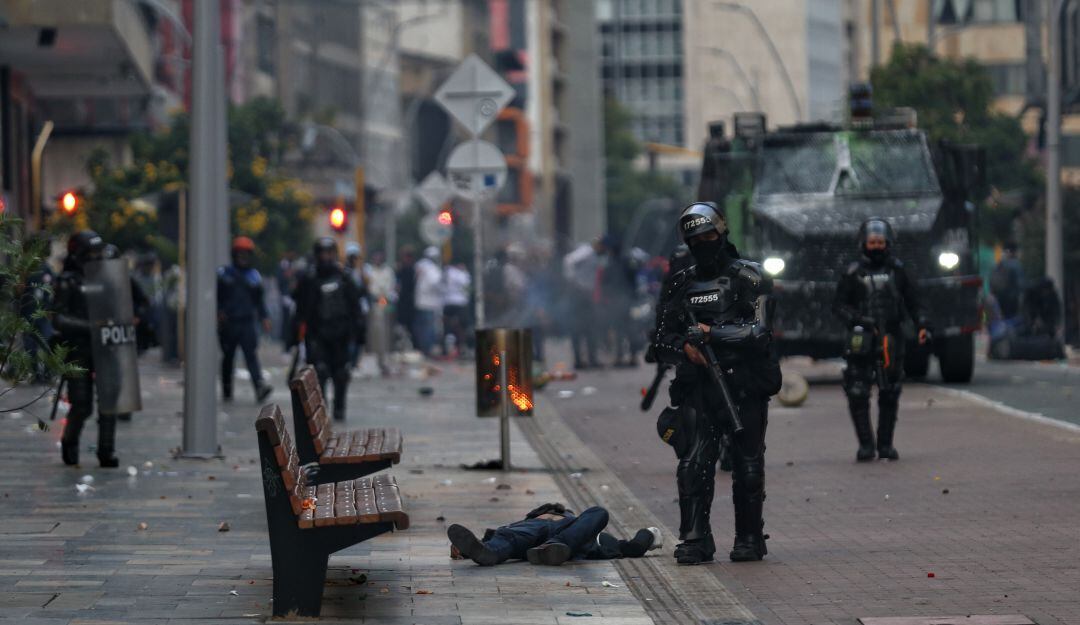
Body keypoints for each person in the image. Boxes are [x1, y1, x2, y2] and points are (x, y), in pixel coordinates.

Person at [652, 202, 781, 564]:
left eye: (708, 236)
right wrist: (686, 349)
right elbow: (660, 341)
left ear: (722, 233)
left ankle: (749, 538)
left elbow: (758, 332)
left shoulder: (750, 276)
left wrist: (712, 334)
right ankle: (695, 538)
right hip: (698, 387)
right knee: (693, 465)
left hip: (743, 384)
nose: (702, 243)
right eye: (695, 239)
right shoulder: (681, 282)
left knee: (748, 466)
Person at [833, 218, 928, 462]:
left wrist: (922, 325)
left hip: (891, 338)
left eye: (880, 241)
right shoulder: (852, 273)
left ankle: (885, 445)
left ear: (888, 242)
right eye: (871, 241)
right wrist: (859, 320)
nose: (876, 246)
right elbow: (838, 306)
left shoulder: (898, 270)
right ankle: (866, 445)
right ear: (863, 242)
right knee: (857, 391)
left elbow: (914, 302)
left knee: (890, 390)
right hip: (861, 338)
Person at [52, 231, 118, 467]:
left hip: (105, 348)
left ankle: (106, 451)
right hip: (78, 349)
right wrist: (89, 326)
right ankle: (70, 443)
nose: (97, 258)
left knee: (109, 404)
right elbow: (57, 319)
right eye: (92, 254)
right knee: (81, 405)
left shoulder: (105, 280)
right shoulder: (68, 281)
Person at [447, 503, 661, 566]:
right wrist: (467, 549)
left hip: (563, 539)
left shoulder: (585, 525)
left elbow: (633, 547)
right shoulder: (530, 522)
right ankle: (488, 554)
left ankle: (552, 548)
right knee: (504, 538)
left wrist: (650, 535)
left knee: (600, 512)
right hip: (527, 534)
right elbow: (633, 548)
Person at [292, 238, 362, 421]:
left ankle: (339, 409)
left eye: (330, 253)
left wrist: (359, 334)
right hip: (317, 335)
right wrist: (294, 336)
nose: (326, 257)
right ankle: (321, 415)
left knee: (341, 374)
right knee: (319, 373)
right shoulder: (309, 278)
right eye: (323, 253)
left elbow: (355, 307)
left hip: (341, 334)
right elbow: (300, 309)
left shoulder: (344, 277)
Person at [217, 237, 273, 403]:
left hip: (247, 322)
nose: (243, 257)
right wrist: (219, 312)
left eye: (246, 254)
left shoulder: (254, 276)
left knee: (251, 356)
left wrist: (264, 318)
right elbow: (216, 297)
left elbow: (259, 301)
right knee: (228, 356)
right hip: (228, 323)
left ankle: (259, 387)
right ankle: (227, 390)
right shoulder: (224, 274)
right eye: (239, 253)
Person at [563, 238, 605, 369]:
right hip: (579, 294)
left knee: (590, 328)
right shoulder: (586, 252)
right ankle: (579, 360)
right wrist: (574, 282)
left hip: (587, 295)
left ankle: (591, 359)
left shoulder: (594, 255)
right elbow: (568, 261)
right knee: (578, 328)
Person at [363, 250, 397, 375]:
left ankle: (385, 359)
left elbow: (389, 288)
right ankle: (377, 358)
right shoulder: (369, 271)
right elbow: (370, 288)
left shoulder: (387, 271)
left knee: (386, 333)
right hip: (373, 305)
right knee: (375, 334)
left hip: (385, 304)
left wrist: (384, 298)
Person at [413, 246, 444, 357]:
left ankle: (422, 349)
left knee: (421, 328)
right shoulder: (432, 269)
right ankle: (427, 350)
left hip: (420, 301)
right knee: (429, 328)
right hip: (430, 303)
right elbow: (434, 283)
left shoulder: (421, 265)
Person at [343, 242, 369, 370]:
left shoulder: (360, 272)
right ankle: (349, 362)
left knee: (359, 337)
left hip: (359, 310)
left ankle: (354, 362)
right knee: (350, 338)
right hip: (349, 310)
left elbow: (364, 290)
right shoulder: (346, 273)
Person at [442, 260, 471, 358]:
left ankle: (450, 348)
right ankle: (458, 347)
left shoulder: (449, 271)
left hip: (449, 302)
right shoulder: (464, 274)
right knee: (460, 328)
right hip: (460, 303)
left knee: (449, 326)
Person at [989, 242, 1024, 321]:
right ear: (1015, 252)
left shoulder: (998, 265)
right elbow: (1021, 284)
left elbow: (992, 281)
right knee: (1013, 318)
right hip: (1012, 298)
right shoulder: (1016, 265)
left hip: (998, 297)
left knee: (1002, 318)